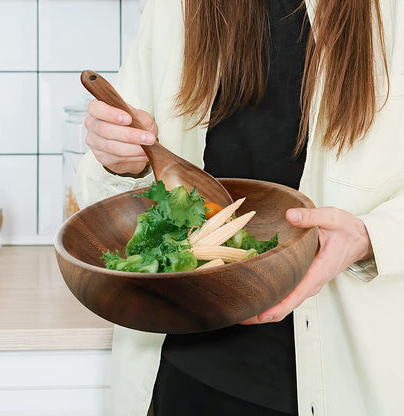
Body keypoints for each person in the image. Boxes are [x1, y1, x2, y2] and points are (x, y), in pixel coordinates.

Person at [74, 0, 404, 415]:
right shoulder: (176, 8)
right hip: (184, 370)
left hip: (347, 375)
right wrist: (118, 160)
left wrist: (370, 237)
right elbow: (104, 190)